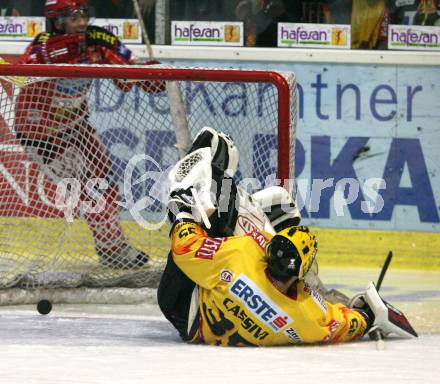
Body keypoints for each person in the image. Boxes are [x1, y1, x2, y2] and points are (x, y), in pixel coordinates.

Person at [158, 127, 417, 346]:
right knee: (281, 207)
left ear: (271, 253)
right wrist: (367, 315)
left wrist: (183, 210)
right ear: (299, 275)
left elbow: (185, 248)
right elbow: (346, 324)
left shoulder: (242, 254)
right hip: (210, 325)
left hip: (183, 304)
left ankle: (209, 192)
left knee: (217, 150)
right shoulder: (309, 317)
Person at [16, 0, 163, 268]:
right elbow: (37, 61)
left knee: (103, 180)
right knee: (90, 185)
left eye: (84, 15)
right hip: (41, 134)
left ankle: (112, 249)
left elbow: (126, 73)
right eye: (73, 17)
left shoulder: (96, 41)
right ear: (57, 21)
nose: (82, 22)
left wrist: (147, 75)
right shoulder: (42, 46)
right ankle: (112, 248)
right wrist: (75, 46)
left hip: (77, 126)